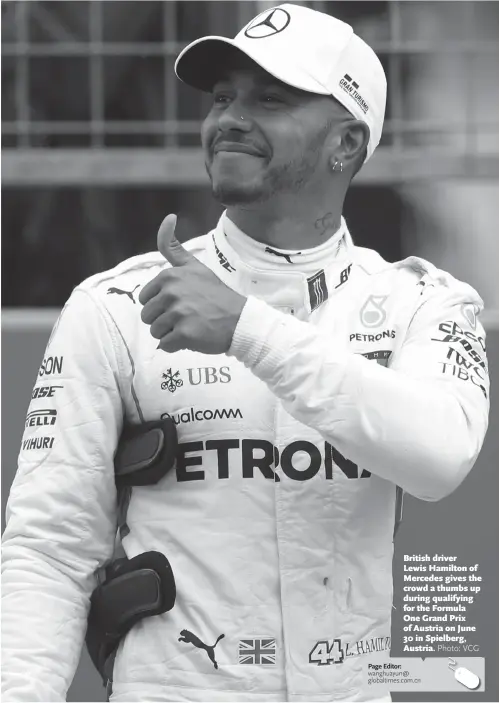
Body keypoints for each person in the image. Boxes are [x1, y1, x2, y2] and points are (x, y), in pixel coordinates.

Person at [2, 4, 490, 702]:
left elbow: (438, 456)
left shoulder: (425, 303)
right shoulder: (114, 305)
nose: (230, 117)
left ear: (346, 143)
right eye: (223, 97)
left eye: (270, 99)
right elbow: (49, 547)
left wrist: (246, 329)